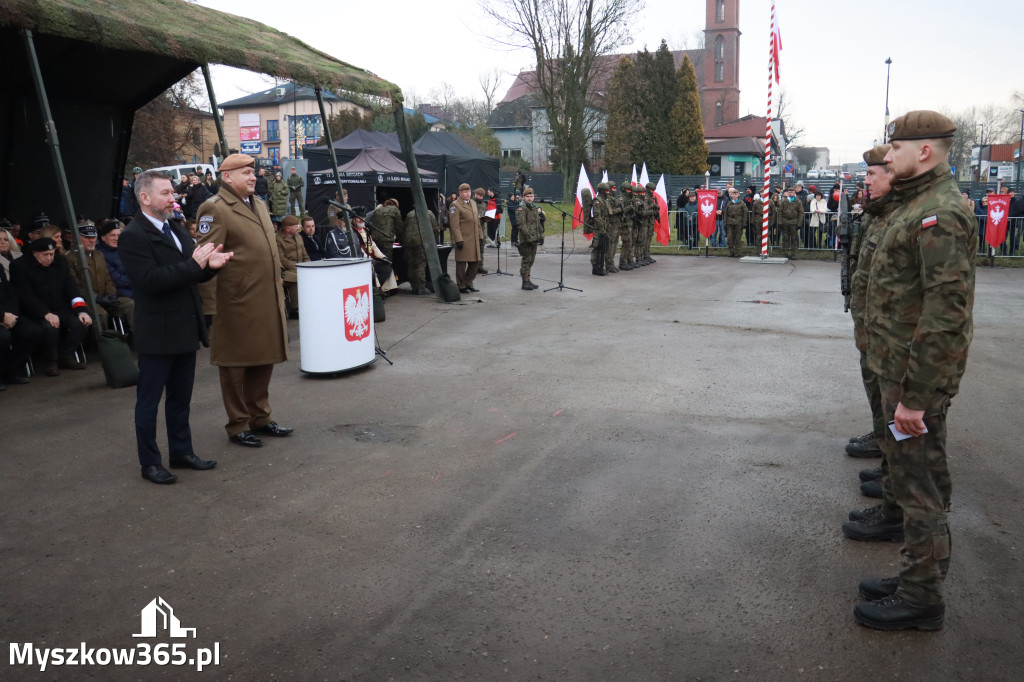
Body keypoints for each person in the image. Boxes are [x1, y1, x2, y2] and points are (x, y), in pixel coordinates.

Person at [852, 111, 976, 632]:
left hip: (913, 379)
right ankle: (912, 578)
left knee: (921, 488)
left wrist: (917, 397)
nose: (889, 155)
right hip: (896, 368)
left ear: (924, 150)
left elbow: (945, 315)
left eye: (895, 147)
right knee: (907, 479)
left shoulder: (939, 214)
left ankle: (922, 597)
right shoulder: (917, 206)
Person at [119, 170, 232, 484]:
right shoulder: (134, 235)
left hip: (184, 327)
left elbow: (190, 274)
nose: (174, 198)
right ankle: (150, 462)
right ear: (145, 198)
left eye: (172, 192)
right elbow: (150, 281)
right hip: (157, 333)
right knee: (149, 402)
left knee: (180, 399)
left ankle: (181, 452)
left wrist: (210, 268)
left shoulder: (176, 229)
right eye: (166, 193)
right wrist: (195, 265)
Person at [196, 153, 292, 448]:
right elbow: (205, 259)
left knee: (264, 360)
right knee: (235, 367)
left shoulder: (260, 204)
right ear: (227, 177)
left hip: (265, 299)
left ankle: (260, 417)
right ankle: (238, 424)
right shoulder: (213, 209)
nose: (253, 177)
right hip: (235, 302)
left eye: (253, 172)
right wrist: (213, 309)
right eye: (246, 172)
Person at [840, 146, 894, 489]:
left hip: (889, 326)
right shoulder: (877, 213)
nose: (866, 180)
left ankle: (895, 472)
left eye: (873, 173)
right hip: (870, 318)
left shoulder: (904, 216)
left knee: (891, 394)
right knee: (874, 382)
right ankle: (882, 439)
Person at [10, 238, 92, 375]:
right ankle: (51, 360)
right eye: (45, 255)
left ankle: (66, 356)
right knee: (50, 327)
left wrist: (81, 310)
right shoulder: (20, 266)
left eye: (52, 254)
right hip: (35, 312)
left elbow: (71, 289)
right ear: (35, 253)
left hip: (61, 308)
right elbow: (25, 296)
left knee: (82, 322)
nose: (50, 258)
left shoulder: (59, 262)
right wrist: (45, 313)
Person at [64, 221, 123, 330]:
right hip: (86, 300)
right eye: (87, 237)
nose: (92, 240)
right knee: (100, 314)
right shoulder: (70, 258)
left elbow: (108, 279)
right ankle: (101, 344)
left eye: (94, 236)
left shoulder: (99, 255)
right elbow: (75, 285)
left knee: (130, 305)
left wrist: (111, 294)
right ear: (77, 238)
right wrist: (96, 298)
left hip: (105, 297)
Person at [0, 243, 42, 390]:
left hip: (7, 314)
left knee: (32, 331)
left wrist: (12, 315)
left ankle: (9, 370)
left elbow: (10, 293)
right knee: (3, 337)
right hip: (1, 316)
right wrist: (2, 316)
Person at [95, 219, 135, 329]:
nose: (116, 238)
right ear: (103, 237)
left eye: (119, 235)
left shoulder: (125, 250)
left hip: (133, 291)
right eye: (112, 235)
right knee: (133, 305)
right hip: (117, 295)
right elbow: (116, 278)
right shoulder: (100, 254)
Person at [276, 215, 310, 318]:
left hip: (300, 267)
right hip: (285, 270)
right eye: (296, 226)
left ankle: (309, 304)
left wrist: (309, 265)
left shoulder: (298, 237)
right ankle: (295, 309)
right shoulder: (278, 239)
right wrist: (298, 268)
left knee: (312, 275)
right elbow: (281, 259)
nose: (298, 227)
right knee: (296, 278)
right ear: (287, 228)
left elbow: (304, 254)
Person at [449, 183, 481, 293]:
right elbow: (454, 225)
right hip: (463, 239)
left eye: (469, 192)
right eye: (465, 192)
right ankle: (461, 285)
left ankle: (469, 282)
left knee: (475, 263)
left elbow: (477, 221)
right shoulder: (455, 205)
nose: (468, 194)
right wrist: (458, 239)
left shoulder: (473, 203)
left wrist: (480, 235)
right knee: (462, 263)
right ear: (460, 193)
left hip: (474, 239)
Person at [514, 187, 545, 289]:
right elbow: (522, 225)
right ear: (524, 197)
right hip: (526, 239)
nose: (529, 198)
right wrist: (529, 237)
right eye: (527, 196)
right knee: (526, 260)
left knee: (531, 260)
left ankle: (528, 279)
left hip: (534, 238)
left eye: (531, 196)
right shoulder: (521, 209)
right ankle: (525, 281)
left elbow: (538, 223)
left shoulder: (533, 207)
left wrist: (541, 235)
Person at [399, 208, 434, 295]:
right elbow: (435, 228)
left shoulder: (410, 214)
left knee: (411, 264)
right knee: (420, 264)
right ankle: (421, 288)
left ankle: (414, 287)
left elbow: (403, 227)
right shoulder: (429, 213)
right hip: (421, 241)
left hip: (408, 242)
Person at [370, 198, 401, 264]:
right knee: (387, 261)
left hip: (374, 239)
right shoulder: (395, 210)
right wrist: (400, 237)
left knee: (377, 259)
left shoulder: (377, 210)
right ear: (395, 205)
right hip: (386, 239)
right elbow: (399, 225)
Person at [778, 186, 803, 259]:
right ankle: (785, 253)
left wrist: (799, 223)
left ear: (794, 193)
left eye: (792, 192)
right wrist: (780, 221)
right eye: (789, 192)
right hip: (785, 222)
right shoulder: (784, 201)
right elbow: (780, 212)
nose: (790, 193)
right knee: (785, 238)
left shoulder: (798, 201)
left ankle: (793, 254)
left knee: (794, 239)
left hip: (794, 222)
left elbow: (801, 213)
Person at [723, 187, 747, 257]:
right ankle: (731, 252)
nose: (734, 195)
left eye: (735, 194)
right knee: (730, 238)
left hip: (738, 223)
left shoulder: (742, 203)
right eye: (733, 194)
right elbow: (726, 213)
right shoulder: (729, 203)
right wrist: (725, 222)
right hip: (730, 223)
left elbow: (745, 213)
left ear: (738, 195)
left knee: (737, 238)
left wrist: (744, 222)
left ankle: (737, 252)